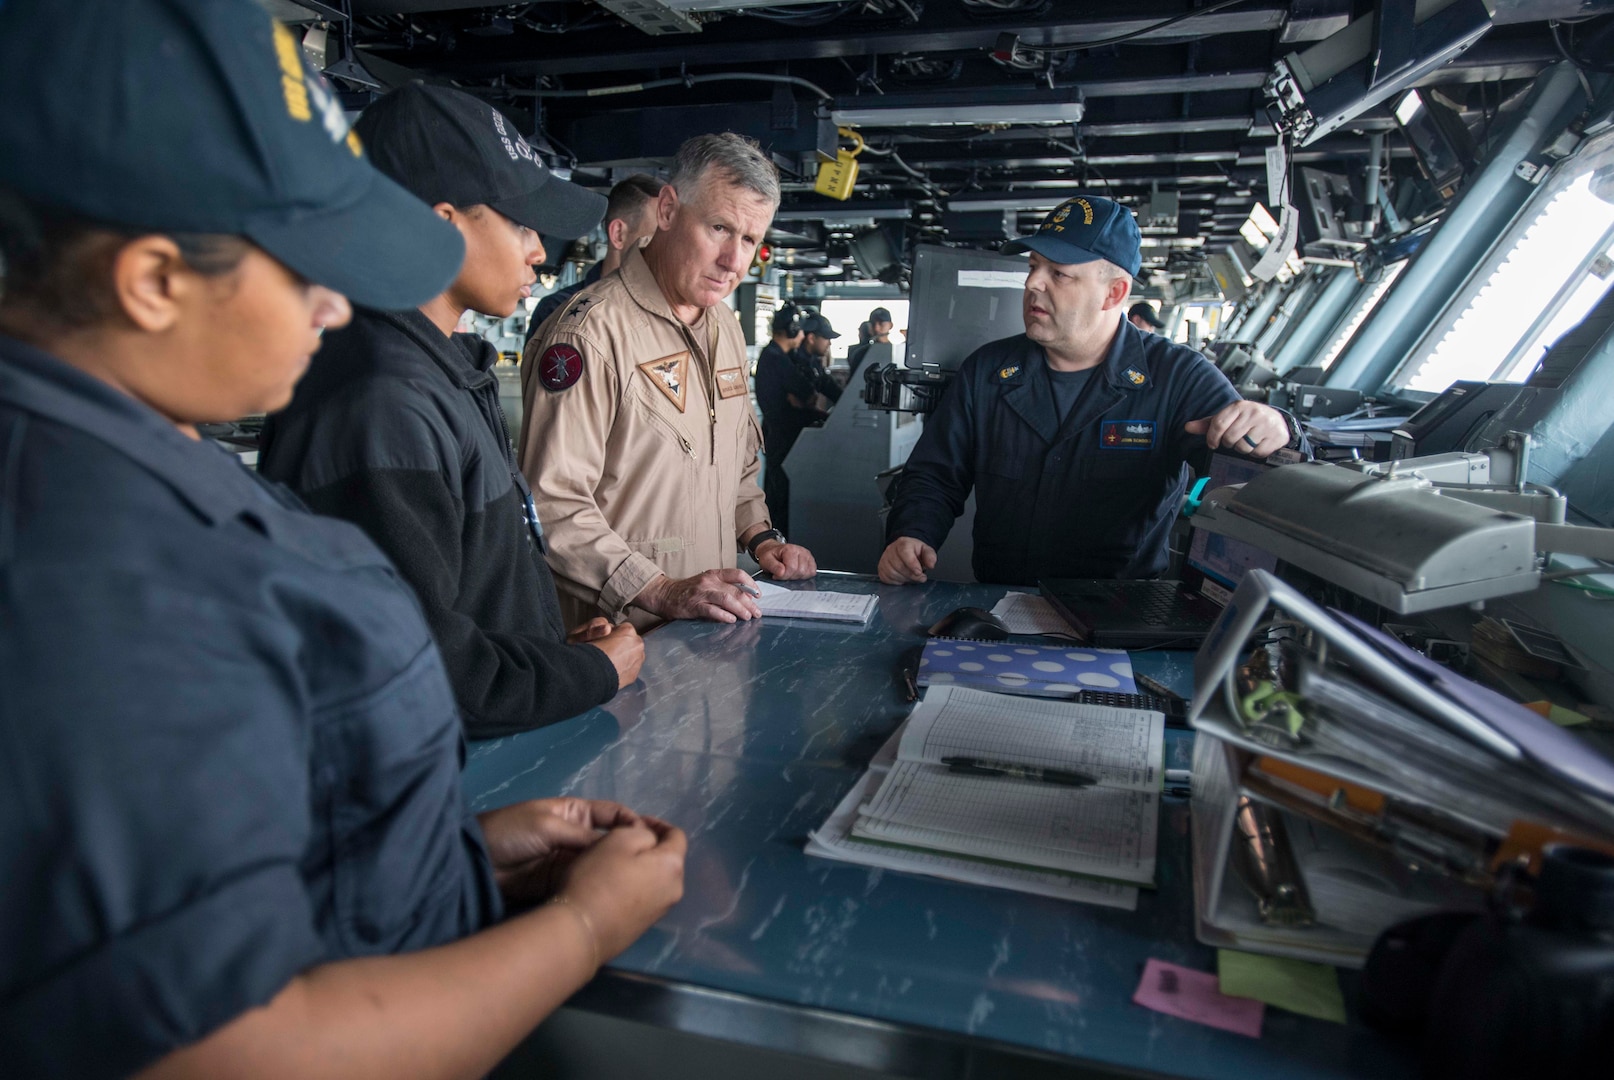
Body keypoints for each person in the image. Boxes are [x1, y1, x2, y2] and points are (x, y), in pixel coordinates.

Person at [0, 3, 684, 1077]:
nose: (336, 307)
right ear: (154, 281)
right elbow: (237, 1050)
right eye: (304, 267)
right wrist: (587, 929)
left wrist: (437, 857)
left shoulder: (129, 473)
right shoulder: (97, 579)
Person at [258, 83, 644, 739]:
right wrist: (587, 675)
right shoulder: (384, 401)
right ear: (440, 225)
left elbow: (457, 604)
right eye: (520, 223)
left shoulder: (439, 372)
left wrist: (544, 648)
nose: (538, 252)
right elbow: (418, 673)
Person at [879, 193, 1301, 588]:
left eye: (1058, 274)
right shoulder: (988, 370)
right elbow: (935, 475)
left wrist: (1278, 433)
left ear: (1114, 293)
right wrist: (912, 533)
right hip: (1000, 602)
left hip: (1119, 611)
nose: (1033, 285)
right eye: (1033, 267)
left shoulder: (1178, 377)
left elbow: (1259, 483)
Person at [520, 133, 817, 627]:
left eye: (750, 240)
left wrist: (761, 537)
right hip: (617, 639)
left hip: (712, 628)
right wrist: (659, 589)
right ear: (668, 210)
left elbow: (737, 462)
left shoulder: (722, 323)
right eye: (720, 228)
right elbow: (550, 502)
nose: (734, 261)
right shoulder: (590, 334)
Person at [523, 173, 662, 349]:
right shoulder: (559, 311)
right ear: (619, 233)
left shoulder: (668, 315)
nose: (668, 254)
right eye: (657, 239)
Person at [755, 309, 838, 535]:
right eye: (800, 331)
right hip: (780, 435)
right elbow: (804, 394)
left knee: (782, 493)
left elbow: (804, 397)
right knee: (780, 496)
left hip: (784, 433)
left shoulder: (779, 356)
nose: (802, 336)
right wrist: (807, 404)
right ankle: (777, 545)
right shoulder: (776, 358)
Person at [845, 305, 894, 377]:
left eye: (881, 324)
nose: (876, 328)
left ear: (891, 325)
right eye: (873, 324)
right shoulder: (860, 353)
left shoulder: (896, 353)